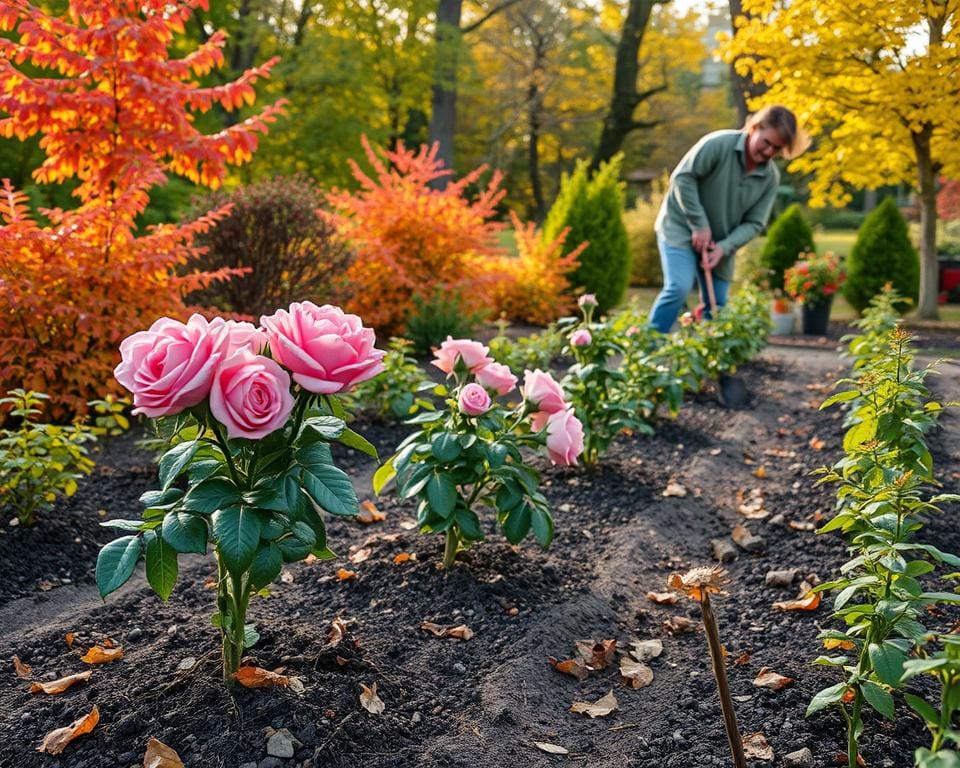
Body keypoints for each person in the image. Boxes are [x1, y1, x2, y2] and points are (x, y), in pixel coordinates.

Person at [648, 105, 806, 333]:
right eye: (767, 142)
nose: (769, 152)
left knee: (718, 305)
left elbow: (755, 223)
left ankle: (705, 356)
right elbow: (683, 178)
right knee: (678, 288)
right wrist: (699, 224)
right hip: (680, 227)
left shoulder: (770, 178)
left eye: (777, 148)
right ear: (755, 127)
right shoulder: (718, 144)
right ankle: (647, 348)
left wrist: (723, 248)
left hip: (720, 243)